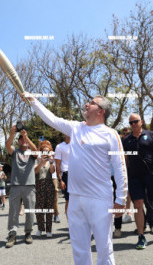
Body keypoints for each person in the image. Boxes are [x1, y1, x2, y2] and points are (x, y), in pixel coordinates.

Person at [21, 94, 128, 265]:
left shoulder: (110, 134)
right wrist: (33, 101)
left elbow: (121, 166)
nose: (86, 104)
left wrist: (121, 199)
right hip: (76, 198)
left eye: (92, 103)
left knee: (104, 248)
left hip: (100, 199)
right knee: (79, 249)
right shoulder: (76, 128)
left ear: (101, 111)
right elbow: (52, 119)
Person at [123, 114, 153, 249]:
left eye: (135, 121)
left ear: (141, 122)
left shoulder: (151, 135)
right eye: (131, 122)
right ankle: (141, 236)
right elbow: (125, 161)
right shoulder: (127, 140)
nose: (133, 124)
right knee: (138, 205)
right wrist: (125, 178)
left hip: (152, 175)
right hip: (135, 178)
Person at [5, 125, 37, 248]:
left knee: (30, 211)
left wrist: (26, 136)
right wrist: (13, 133)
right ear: (18, 142)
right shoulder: (15, 151)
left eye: (24, 139)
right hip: (16, 185)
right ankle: (12, 234)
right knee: (13, 212)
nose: (23, 141)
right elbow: (8, 146)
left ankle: (28, 233)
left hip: (29, 185)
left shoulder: (31, 152)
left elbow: (35, 150)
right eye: (21, 139)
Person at [34, 141, 55, 237]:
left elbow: (52, 171)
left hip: (49, 184)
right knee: (39, 208)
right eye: (43, 151)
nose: (45, 153)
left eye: (47, 151)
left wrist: (50, 162)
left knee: (49, 207)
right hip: (39, 184)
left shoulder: (51, 160)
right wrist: (41, 162)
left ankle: (49, 230)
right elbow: (35, 171)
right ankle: (40, 228)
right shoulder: (37, 160)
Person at [55, 134, 70, 219]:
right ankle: (70, 226)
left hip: (78, 175)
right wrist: (60, 180)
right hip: (66, 175)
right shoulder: (59, 146)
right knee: (68, 200)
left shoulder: (79, 145)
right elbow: (57, 164)